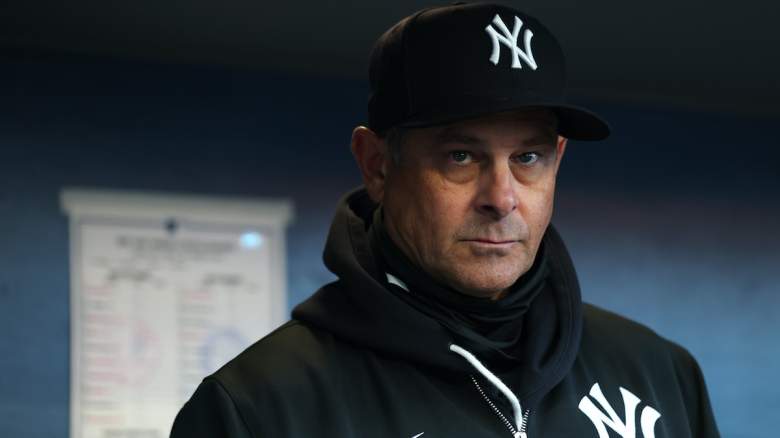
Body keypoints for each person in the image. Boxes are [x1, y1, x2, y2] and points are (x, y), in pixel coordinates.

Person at [171, 3, 720, 437]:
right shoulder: (259, 406)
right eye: (461, 156)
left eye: (527, 157)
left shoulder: (661, 374)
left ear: (557, 159)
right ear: (377, 165)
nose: (501, 198)